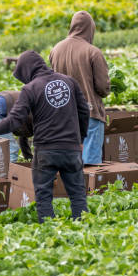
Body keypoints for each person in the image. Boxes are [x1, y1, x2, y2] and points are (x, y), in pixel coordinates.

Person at [0, 50, 90, 223]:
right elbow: (84, 111)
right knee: (77, 194)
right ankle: (83, 230)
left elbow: (14, 121)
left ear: (26, 70)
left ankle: (51, 236)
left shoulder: (31, 88)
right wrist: (81, 140)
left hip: (46, 151)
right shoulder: (69, 82)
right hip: (71, 148)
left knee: (44, 196)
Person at [49, 11, 110, 164]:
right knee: (90, 164)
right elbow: (103, 87)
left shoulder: (55, 50)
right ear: (90, 29)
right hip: (89, 113)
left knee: (68, 163)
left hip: (63, 114)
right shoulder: (93, 52)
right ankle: (89, 188)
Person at [0, 91, 33, 162]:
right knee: (11, 148)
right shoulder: (37, 116)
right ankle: (8, 172)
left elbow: (23, 137)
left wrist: (29, 158)